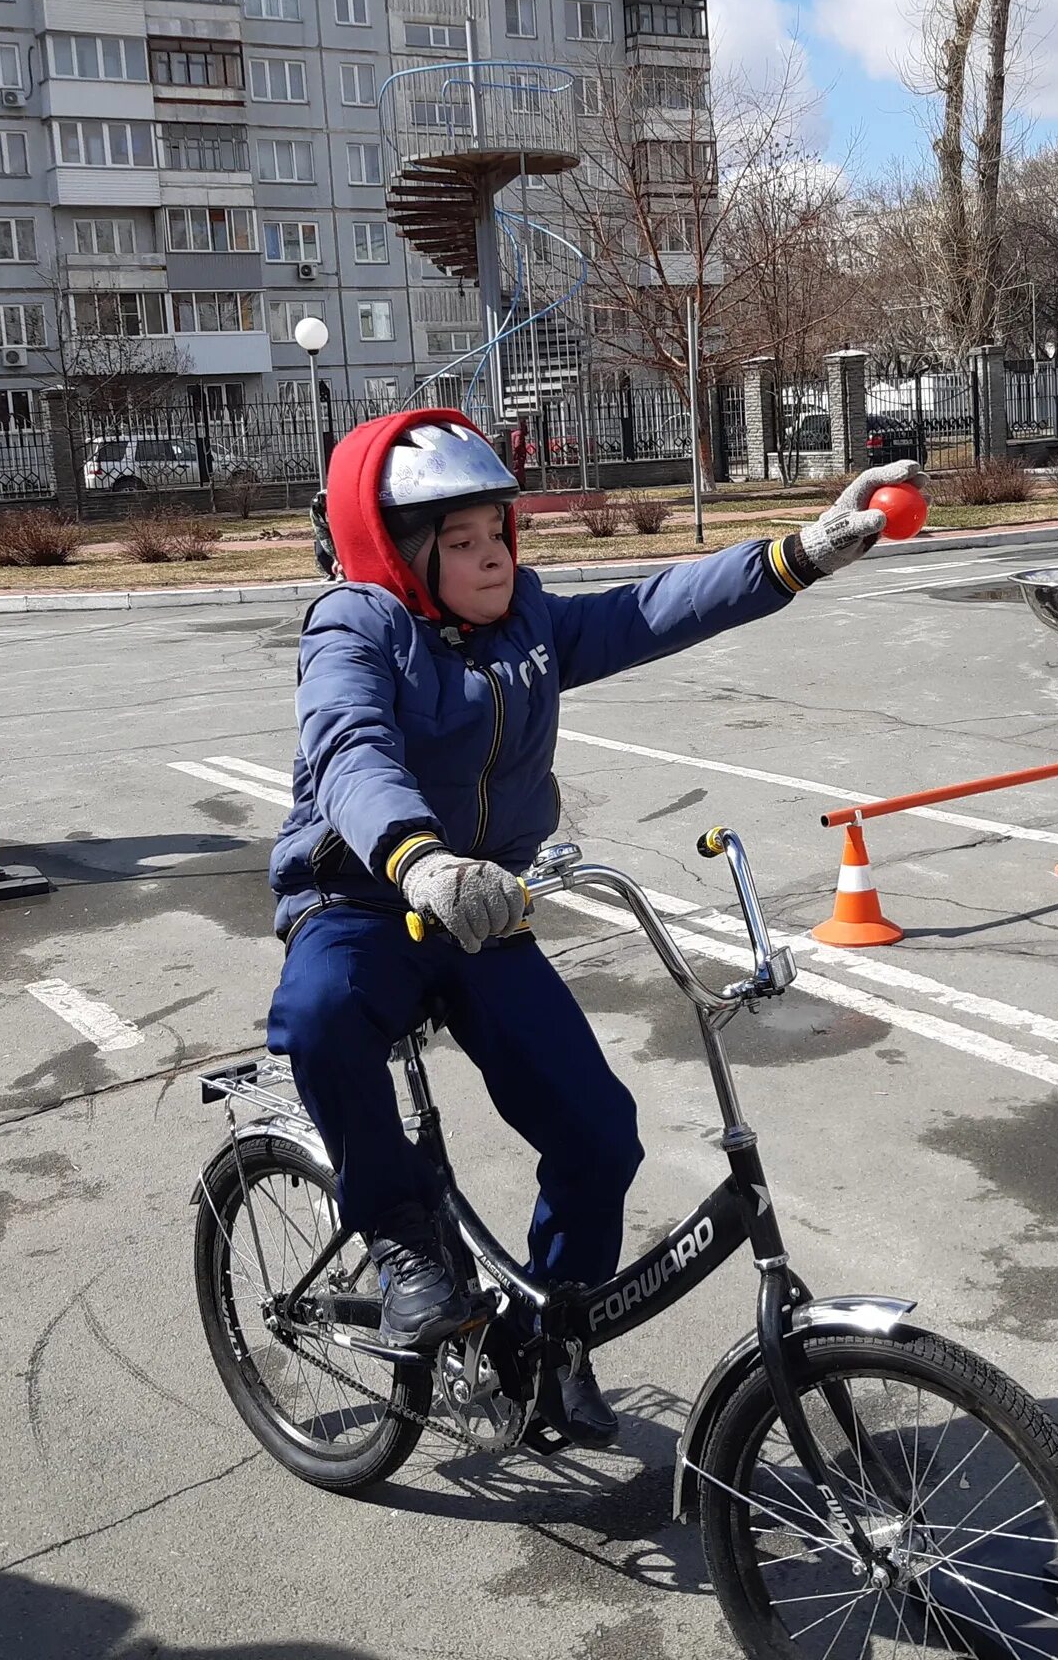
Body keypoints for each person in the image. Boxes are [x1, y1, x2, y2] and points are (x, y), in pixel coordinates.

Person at [267, 409, 920, 1446]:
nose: (492, 560)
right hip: (367, 894)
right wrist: (417, 855)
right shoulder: (355, 626)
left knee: (597, 1132)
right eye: (464, 544)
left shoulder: (526, 622)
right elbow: (348, 749)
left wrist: (800, 554)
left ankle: (550, 1339)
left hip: (482, 909)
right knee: (320, 1013)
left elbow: (652, 609)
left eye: (499, 536)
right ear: (400, 551)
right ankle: (400, 1245)